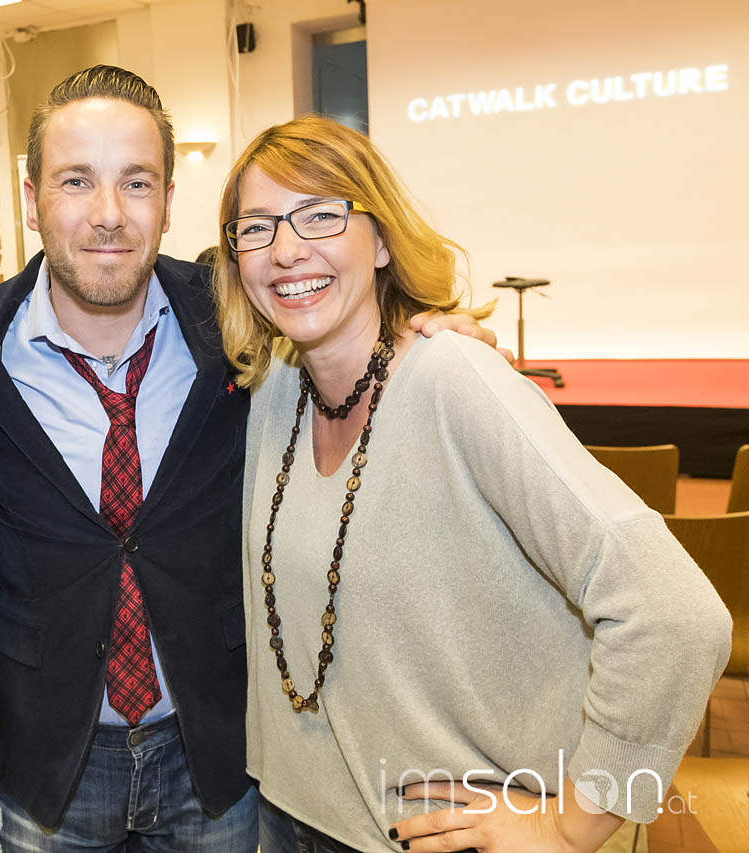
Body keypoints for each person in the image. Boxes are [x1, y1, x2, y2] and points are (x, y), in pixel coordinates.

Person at [0, 67, 496, 851]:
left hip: (217, 750)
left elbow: (339, 326)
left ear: (169, 200)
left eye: (137, 181)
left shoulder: (240, 318)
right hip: (47, 757)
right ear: (31, 200)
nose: (109, 213)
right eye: (76, 180)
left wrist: (423, 331)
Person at [213, 115, 732, 852]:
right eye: (256, 227)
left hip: (435, 835)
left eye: (321, 214)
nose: (287, 248)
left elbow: (677, 614)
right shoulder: (271, 391)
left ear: (381, 240)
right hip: (290, 816)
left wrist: (571, 825)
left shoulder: (453, 379)